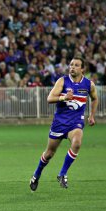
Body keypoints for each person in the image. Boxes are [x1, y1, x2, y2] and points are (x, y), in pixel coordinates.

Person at [29, 56, 98, 191]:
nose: (72, 67)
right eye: (71, 64)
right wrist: (64, 97)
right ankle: (36, 175)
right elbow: (49, 98)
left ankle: (62, 173)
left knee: (77, 143)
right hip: (60, 123)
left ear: (82, 69)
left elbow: (95, 99)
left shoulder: (89, 84)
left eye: (76, 65)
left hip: (76, 122)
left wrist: (92, 115)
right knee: (49, 153)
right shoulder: (63, 81)